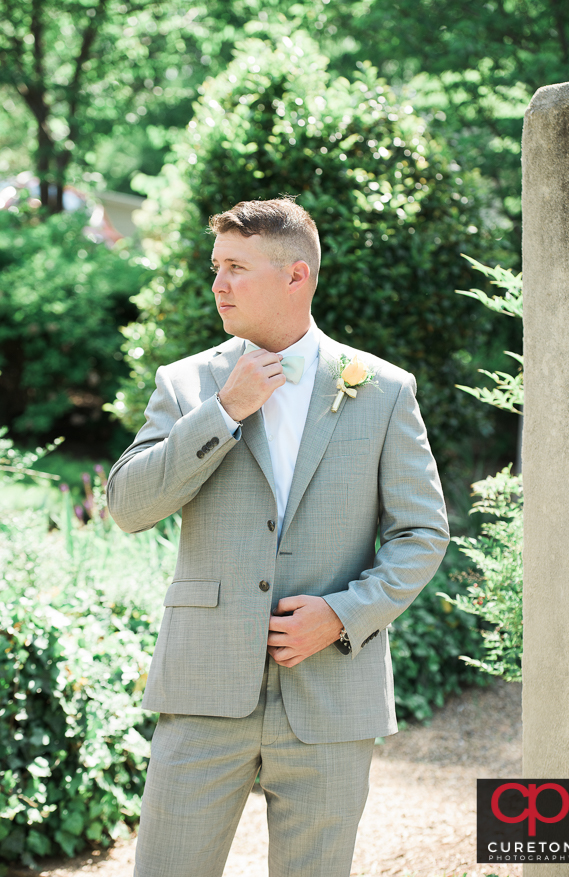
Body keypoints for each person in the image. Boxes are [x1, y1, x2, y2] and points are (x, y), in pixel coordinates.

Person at [107, 197, 449, 877]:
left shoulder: (382, 390)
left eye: (236, 266)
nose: (218, 284)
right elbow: (128, 504)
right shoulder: (185, 383)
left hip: (329, 696)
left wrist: (343, 614)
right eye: (216, 266)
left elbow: (421, 532)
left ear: (296, 276)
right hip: (202, 689)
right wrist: (223, 410)